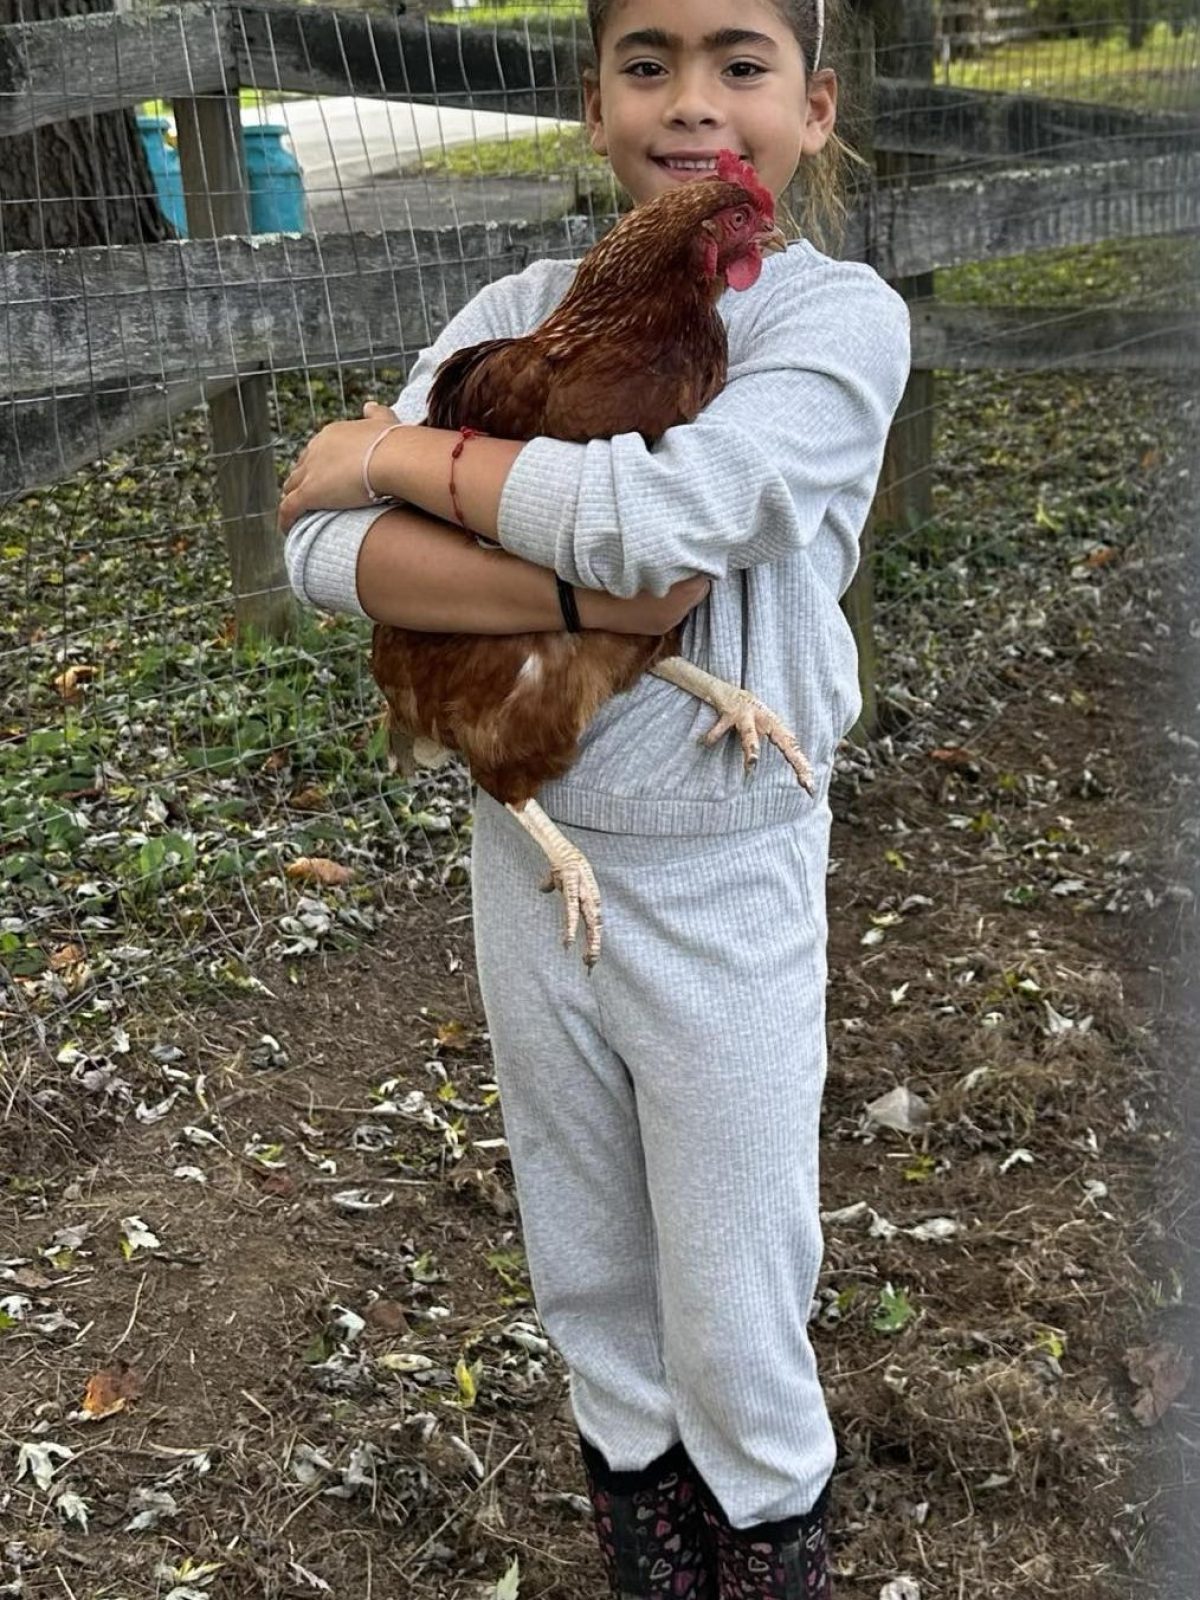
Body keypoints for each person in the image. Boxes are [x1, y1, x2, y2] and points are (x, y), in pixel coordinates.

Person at [280, 1, 910, 1593]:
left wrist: (396, 462)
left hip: (726, 861)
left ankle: (766, 1537)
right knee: (589, 1261)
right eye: (648, 65)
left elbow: (679, 514)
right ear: (594, 105)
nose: (692, 103)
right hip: (532, 849)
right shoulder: (509, 312)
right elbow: (319, 550)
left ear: (815, 107)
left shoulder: (832, 323)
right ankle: (647, 1539)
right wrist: (584, 600)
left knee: (734, 1275)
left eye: (741, 65)